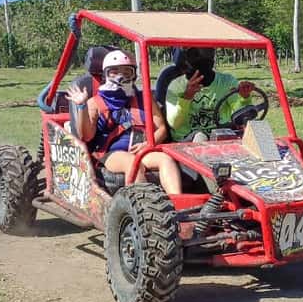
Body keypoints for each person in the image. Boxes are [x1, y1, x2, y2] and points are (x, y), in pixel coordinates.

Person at [66, 50, 184, 195]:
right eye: (114, 72)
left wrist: (148, 144)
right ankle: (144, 206)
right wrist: (82, 106)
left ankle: (178, 204)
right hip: (112, 153)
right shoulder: (94, 103)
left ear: (134, 75)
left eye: (127, 72)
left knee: (165, 159)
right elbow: (86, 136)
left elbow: (161, 129)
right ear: (105, 74)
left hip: (143, 149)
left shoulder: (144, 98)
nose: (121, 77)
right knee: (132, 163)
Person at [164, 47, 258, 141]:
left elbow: (240, 116)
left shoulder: (227, 82)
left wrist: (244, 97)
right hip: (186, 139)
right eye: (196, 54)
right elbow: (174, 123)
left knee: (258, 131)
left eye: (209, 52)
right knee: (200, 137)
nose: (204, 58)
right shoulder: (176, 86)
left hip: (221, 136)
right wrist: (187, 97)